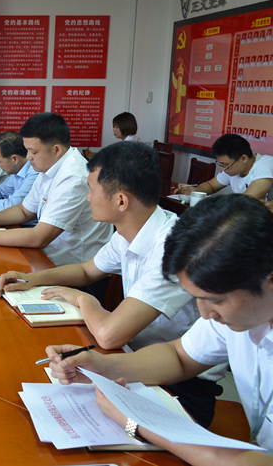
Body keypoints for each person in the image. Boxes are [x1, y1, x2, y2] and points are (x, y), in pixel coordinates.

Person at [0, 142, 220, 426]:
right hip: (137, 359)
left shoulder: (171, 248)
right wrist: (32, 278)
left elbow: (109, 335)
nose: (88, 197)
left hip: (179, 385)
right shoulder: (130, 230)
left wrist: (84, 299)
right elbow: (87, 270)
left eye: (92, 190)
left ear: (121, 201)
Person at [47, 194, 273, 464]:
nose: (205, 314)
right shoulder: (243, 311)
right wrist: (102, 367)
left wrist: (137, 424)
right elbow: (180, 356)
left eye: (216, 301)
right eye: (197, 298)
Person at [0, 112, 112, 272]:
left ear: (56, 150)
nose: (28, 157)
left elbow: (40, 237)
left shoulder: (73, 177)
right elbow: (24, 211)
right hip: (46, 258)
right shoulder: (48, 167)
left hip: (70, 269)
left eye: (33, 152)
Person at [176, 133, 273, 201]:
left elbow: (246, 200)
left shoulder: (265, 165)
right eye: (221, 165)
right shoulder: (232, 168)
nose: (222, 169)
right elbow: (211, 186)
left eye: (225, 165)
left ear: (243, 159)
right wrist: (196, 191)